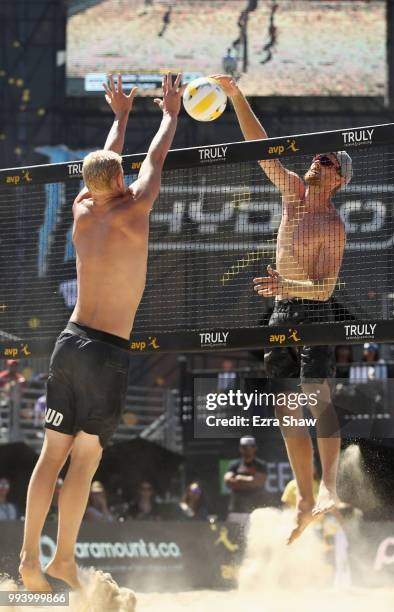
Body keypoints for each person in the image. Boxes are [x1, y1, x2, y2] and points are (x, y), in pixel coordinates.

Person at [19, 72, 183, 591]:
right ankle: (63, 558)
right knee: (85, 459)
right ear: (118, 181)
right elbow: (153, 159)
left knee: (51, 456)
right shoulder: (134, 208)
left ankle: (29, 559)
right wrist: (170, 114)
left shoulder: (82, 209)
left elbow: (107, 164)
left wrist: (119, 118)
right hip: (107, 352)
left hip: (69, 343)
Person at [213, 75, 351, 543]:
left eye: (327, 160)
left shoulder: (332, 224)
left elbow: (324, 289)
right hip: (281, 312)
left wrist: (283, 284)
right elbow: (260, 146)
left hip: (311, 312)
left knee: (318, 398)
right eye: (318, 155)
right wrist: (235, 96)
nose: (318, 159)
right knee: (287, 409)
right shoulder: (291, 191)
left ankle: (330, 489)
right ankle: (308, 500)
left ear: (338, 179)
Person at [224, 436, 267, 519]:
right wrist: (250, 480)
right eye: (244, 447)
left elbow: (258, 482)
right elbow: (228, 481)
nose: (247, 449)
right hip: (236, 510)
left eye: (250, 446)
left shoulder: (261, 465)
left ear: (255, 448)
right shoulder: (234, 465)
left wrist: (239, 478)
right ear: (240, 448)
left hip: (256, 511)